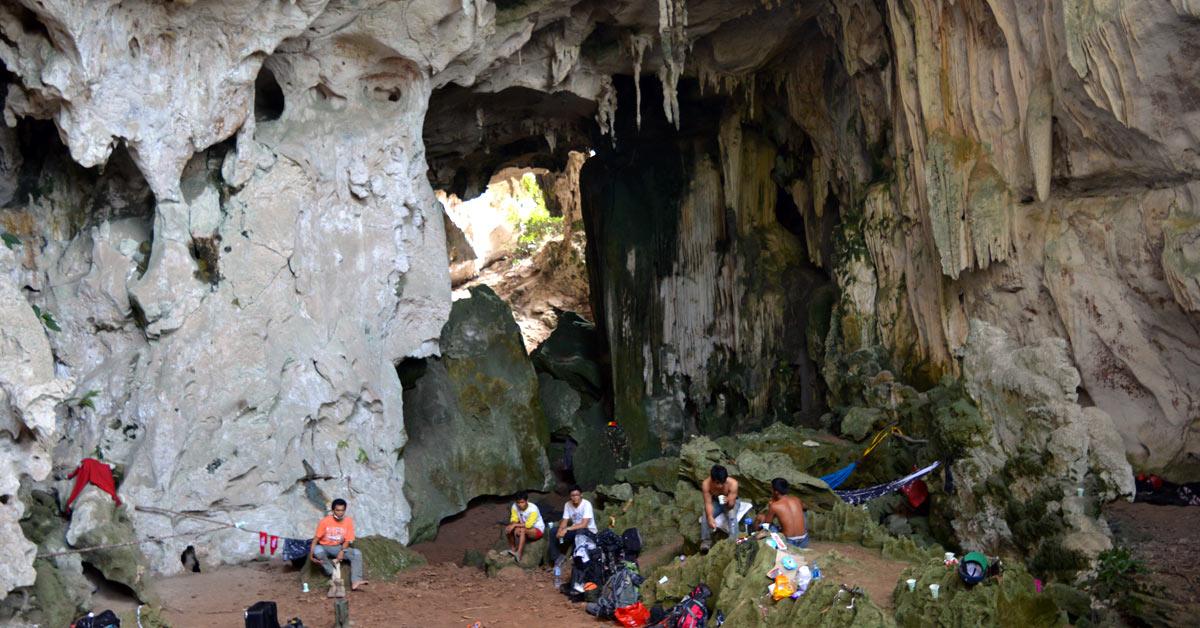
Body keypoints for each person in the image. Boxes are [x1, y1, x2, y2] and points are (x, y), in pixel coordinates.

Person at [309, 498, 368, 591]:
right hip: (324, 547)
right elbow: (315, 539)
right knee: (317, 550)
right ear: (333, 510)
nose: (340, 512)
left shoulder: (348, 521)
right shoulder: (324, 521)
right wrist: (311, 556)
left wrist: (342, 551)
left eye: (342, 510)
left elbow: (348, 540)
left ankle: (356, 580)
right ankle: (330, 571)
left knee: (357, 553)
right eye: (338, 510)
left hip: (338, 547)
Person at [547, 485, 597, 565]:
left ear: (581, 495)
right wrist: (560, 530)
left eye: (577, 495)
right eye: (572, 496)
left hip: (588, 531)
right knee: (553, 531)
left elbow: (584, 525)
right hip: (574, 529)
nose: (575, 497)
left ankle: (575, 559)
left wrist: (566, 529)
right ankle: (557, 558)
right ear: (570, 496)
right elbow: (565, 520)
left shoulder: (586, 504)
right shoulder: (568, 504)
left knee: (580, 531)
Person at [755, 477, 808, 548]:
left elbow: (767, 524)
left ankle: (754, 535)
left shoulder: (775, 505)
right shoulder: (796, 499)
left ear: (776, 492)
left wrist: (772, 504)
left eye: (772, 489)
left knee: (760, 517)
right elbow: (805, 507)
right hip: (804, 540)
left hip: (789, 541)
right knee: (803, 512)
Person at [699, 464, 741, 552]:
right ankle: (706, 542)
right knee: (705, 514)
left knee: (731, 514)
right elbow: (708, 503)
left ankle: (733, 540)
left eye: (723, 482)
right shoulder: (706, 484)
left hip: (730, 501)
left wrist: (729, 500)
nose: (721, 486)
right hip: (716, 501)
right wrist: (710, 517)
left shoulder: (733, 483)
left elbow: (731, 506)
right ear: (712, 479)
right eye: (718, 483)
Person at [504, 491, 544, 562]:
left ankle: (519, 554)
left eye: (522, 502)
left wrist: (515, 525)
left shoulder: (533, 509)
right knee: (508, 528)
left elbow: (528, 525)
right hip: (524, 527)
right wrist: (513, 526)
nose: (519, 505)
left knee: (522, 530)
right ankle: (513, 549)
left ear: (527, 501)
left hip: (537, 530)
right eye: (518, 502)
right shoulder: (514, 506)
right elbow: (514, 519)